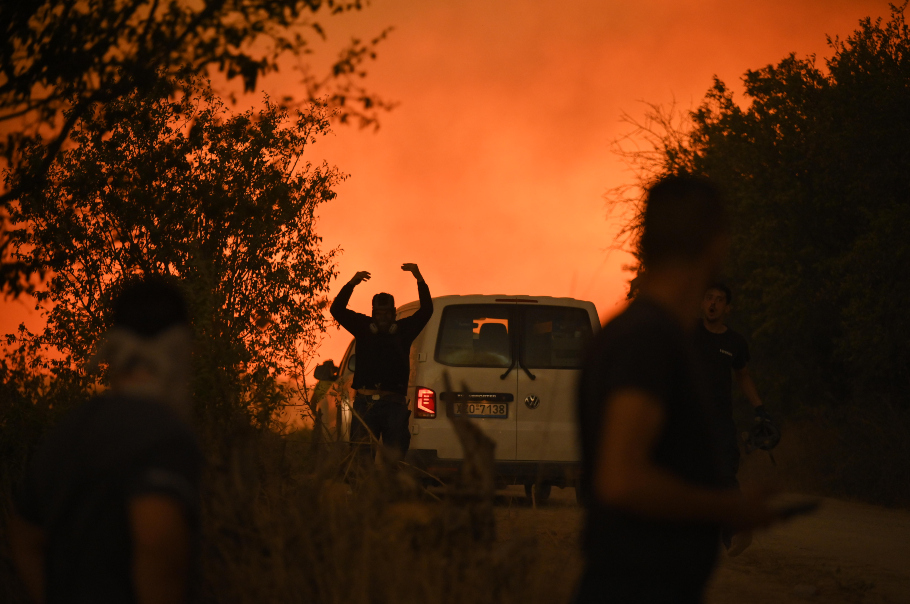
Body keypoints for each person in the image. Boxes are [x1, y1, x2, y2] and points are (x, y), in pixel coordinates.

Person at [574, 175, 777, 603]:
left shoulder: (635, 333)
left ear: (645, 242)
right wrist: (728, 508)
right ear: (715, 244)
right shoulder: (649, 340)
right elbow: (622, 479)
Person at [8, 276, 201, 604]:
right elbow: (155, 544)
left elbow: (22, 536)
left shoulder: (70, 428)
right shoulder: (163, 435)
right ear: (182, 347)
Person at [694, 282, 770, 555]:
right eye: (709, 298)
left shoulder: (734, 342)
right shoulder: (687, 331)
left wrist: (759, 408)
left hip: (720, 421)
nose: (713, 303)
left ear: (728, 308)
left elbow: (743, 376)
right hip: (689, 420)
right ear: (702, 303)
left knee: (725, 475)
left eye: (719, 300)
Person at [330, 263, 433, 459]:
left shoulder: (404, 330)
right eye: (378, 314)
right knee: (360, 461)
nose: (383, 318)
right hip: (365, 405)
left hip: (394, 406)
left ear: (394, 314)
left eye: (387, 314)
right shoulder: (363, 328)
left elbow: (426, 310)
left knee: (393, 463)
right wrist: (352, 283)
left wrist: (419, 278)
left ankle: (389, 490)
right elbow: (337, 309)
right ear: (373, 314)